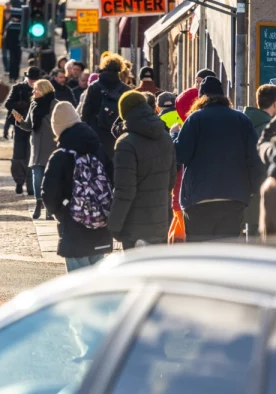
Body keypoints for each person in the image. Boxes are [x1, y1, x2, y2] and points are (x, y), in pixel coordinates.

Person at [174, 76, 266, 241]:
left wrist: (174, 136)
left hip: (198, 198)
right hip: (233, 198)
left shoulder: (195, 119)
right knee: (226, 254)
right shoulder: (241, 120)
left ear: (201, 98)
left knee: (201, 254)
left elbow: (181, 154)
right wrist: (253, 189)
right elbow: (254, 158)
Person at [42, 101, 114, 271]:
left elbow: (49, 195)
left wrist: (63, 213)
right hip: (101, 225)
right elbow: (113, 178)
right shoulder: (99, 149)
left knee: (79, 287)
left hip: (74, 229)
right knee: (98, 284)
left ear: (57, 128)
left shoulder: (60, 157)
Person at [106, 89, 177, 249]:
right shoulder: (165, 137)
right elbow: (171, 180)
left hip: (134, 225)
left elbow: (124, 190)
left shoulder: (126, 143)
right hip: (160, 220)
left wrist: (114, 225)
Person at [16, 77, 58, 218]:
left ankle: (49, 208)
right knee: (37, 178)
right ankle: (38, 203)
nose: (33, 92)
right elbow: (28, 125)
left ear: (43, 90)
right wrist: (20, 121)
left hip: (51, 146)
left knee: (50, 180)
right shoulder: (34, 106)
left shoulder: (55, 105)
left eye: (36, 89)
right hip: (36, 146)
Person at [80, 52, 130, 154]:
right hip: (117, 136)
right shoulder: (125, 89)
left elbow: (85, 113)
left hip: (96, 134)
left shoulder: (94, 87)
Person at [243, 84, 276, 235]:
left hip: (243, 196)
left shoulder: (242, 122)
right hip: (265, 197)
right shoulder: (267, 130)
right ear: (274, 104)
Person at [6, 69, 39, 194]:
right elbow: (8, 104)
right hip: (20, 126)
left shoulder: (41, 88)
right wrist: (23, 105)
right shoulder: (18, 88)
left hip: (35, 127)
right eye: (31, 79)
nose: (33, 81)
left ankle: (31, 185)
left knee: (32, 156)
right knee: (19, 156)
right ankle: (19, 182)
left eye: (35, 79)